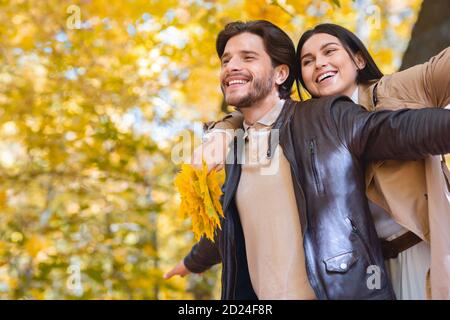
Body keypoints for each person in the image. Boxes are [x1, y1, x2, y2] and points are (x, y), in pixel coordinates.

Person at [165, 20, 450, 300]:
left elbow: (398, 129)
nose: (231, 67)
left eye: (247, 57)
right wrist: (192, 262)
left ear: (280, 74)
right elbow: (232, 224)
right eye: (225, 61)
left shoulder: (326, 118)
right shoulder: (235, 147)